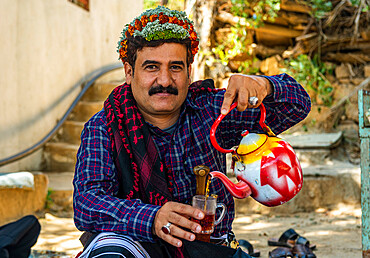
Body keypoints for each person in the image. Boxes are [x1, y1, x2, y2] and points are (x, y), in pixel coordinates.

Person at [73, 5, 311, 258]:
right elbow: (87, 204)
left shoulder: (213, 112)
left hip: (210, 250)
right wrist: (152, 218)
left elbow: (297, 105)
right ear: (129, 72)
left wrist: (264, 85)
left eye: (175, 67)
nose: (164, 80)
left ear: (189, 73)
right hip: (137, 246)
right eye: (152, 67)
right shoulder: (105, 127)